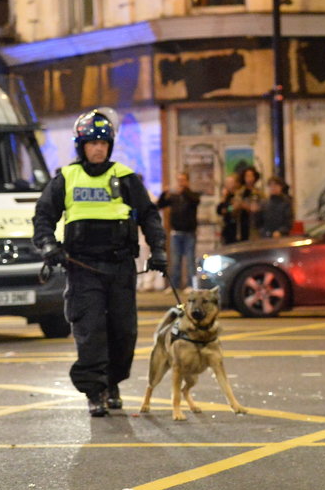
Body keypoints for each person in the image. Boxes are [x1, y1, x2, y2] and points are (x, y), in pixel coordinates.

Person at [32, 109, 167, 417]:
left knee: (123, 332)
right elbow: (43, 216)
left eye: (103, 143)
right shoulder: (67, 178)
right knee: (91, 330)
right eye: (92, 143)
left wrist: (158, 250)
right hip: (83, 269)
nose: (98, 149)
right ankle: (95, 391)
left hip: (120, 268)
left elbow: (149, 216)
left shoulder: (125, 177)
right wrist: (48, 245)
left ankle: (112, 383)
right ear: (82, 146)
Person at [157, 171, 201, 291]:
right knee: (175, 261)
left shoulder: (192, 195)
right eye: (179, 180)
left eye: (183, 180)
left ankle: (192, 285)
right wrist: (164, 193)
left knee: (190, 261)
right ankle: (174, 285)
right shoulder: (174, 197)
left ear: (187, 181)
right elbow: (160, 205)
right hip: (176, 233)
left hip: (189, 233)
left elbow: (196, 201)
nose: (181, 183)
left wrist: (185, 191)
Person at [216, 173, 243, 244]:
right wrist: (224, 198)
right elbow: (219, 210)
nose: (227, 185)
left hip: (237, 229)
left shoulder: (238, 195)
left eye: (230, 183)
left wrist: (227, 209)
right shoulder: (227, 196)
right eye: (226, 183)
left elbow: (234, 207)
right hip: (227, 229)